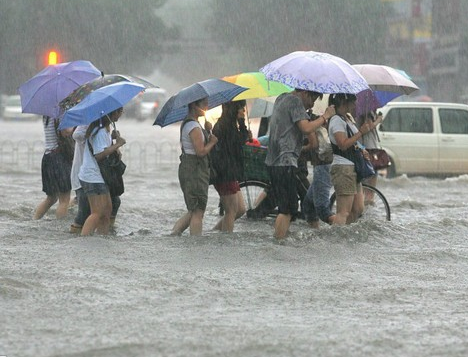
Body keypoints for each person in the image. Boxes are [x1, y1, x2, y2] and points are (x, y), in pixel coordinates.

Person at [265, 89, 335, 239]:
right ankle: (278, 244)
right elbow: (306, 128)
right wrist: (325, 116)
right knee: (287, 209)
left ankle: (280, 240)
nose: (311, 105)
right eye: (312, 100)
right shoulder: (296, 101)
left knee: (287, 207)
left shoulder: (281, 97)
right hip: (284, 162)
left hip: (273, 160)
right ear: (305, 93)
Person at [171, 97, 218, 236]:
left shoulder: (193, 124)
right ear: (193, 105)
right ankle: (195, 244)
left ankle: (174, 234)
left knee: (193, 209)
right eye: (204, 104)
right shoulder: (193, 126)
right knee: (198, 209)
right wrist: (213, 142)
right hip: (195, 170)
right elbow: (200, 152)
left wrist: (208, 131)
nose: (206, 107)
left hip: (191, 169)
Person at [79, 108, 126, 235]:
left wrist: (114, 140)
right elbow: (99, 155)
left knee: (106, 212)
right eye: (120, 111)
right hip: (93, 177)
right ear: (112, 113)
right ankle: (83, 240)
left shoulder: (105, 131)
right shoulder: (99, 132)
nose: (121, 114)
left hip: (100, 177)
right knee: (97, 213)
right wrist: (118, 144)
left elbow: (111, 154)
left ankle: (102, 240)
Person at [327, 94, 372, 225]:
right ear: (343, 102)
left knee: (358, 209)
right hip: (343, 168)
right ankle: (335, 238)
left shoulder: (346, 119)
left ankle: (344, 238)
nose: (355, 105)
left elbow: (353, 141)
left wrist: (362, 149)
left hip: (353, 167)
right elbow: (342, 144)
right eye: (353, 102)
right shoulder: (336, 120)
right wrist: (361, 133)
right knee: (343, 212)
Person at [211, 100, 248, 232]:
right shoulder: (225, 125)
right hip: (224, 173)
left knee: (240, 209)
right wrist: (243, 124)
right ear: (234, 109)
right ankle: (226, 242)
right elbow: (238, 143)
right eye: (241, 109)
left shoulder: (229, 125)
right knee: (231, 211)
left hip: (229, 172)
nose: (243, 111)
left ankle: (213, 233)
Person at [33, 116, 72, 220]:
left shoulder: (47, 115)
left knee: (51, 198)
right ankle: (60, 227)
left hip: (48, 157)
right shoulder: (60, 113)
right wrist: (77, 126)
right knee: (64, 199)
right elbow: (66, 132)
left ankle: (35, 220)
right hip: (58, 158)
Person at [302, 114, 335, 228]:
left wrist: (301, 149)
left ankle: (343, 230)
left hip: (323, 165)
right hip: (326, 164)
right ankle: (316, 235)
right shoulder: (328, 119)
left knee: (322, 210)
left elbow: (314, 144)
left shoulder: (311, 120)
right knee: (308, 205)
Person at [355, 110, 384, 203]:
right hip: (368, 147)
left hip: (369, 146)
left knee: (371, 173)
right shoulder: (366, 111)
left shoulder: (370, 111)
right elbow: (369, 126)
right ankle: (368, 199)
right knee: (371, 173)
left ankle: (368, 198)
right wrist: (378, 120)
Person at [68, 125, 90, 234]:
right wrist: (91, 133)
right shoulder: (86, 124)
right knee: (84, 211)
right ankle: (76, 237)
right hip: (82, 174)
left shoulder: (105, 127)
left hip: (94, 175)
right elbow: (76, 135)